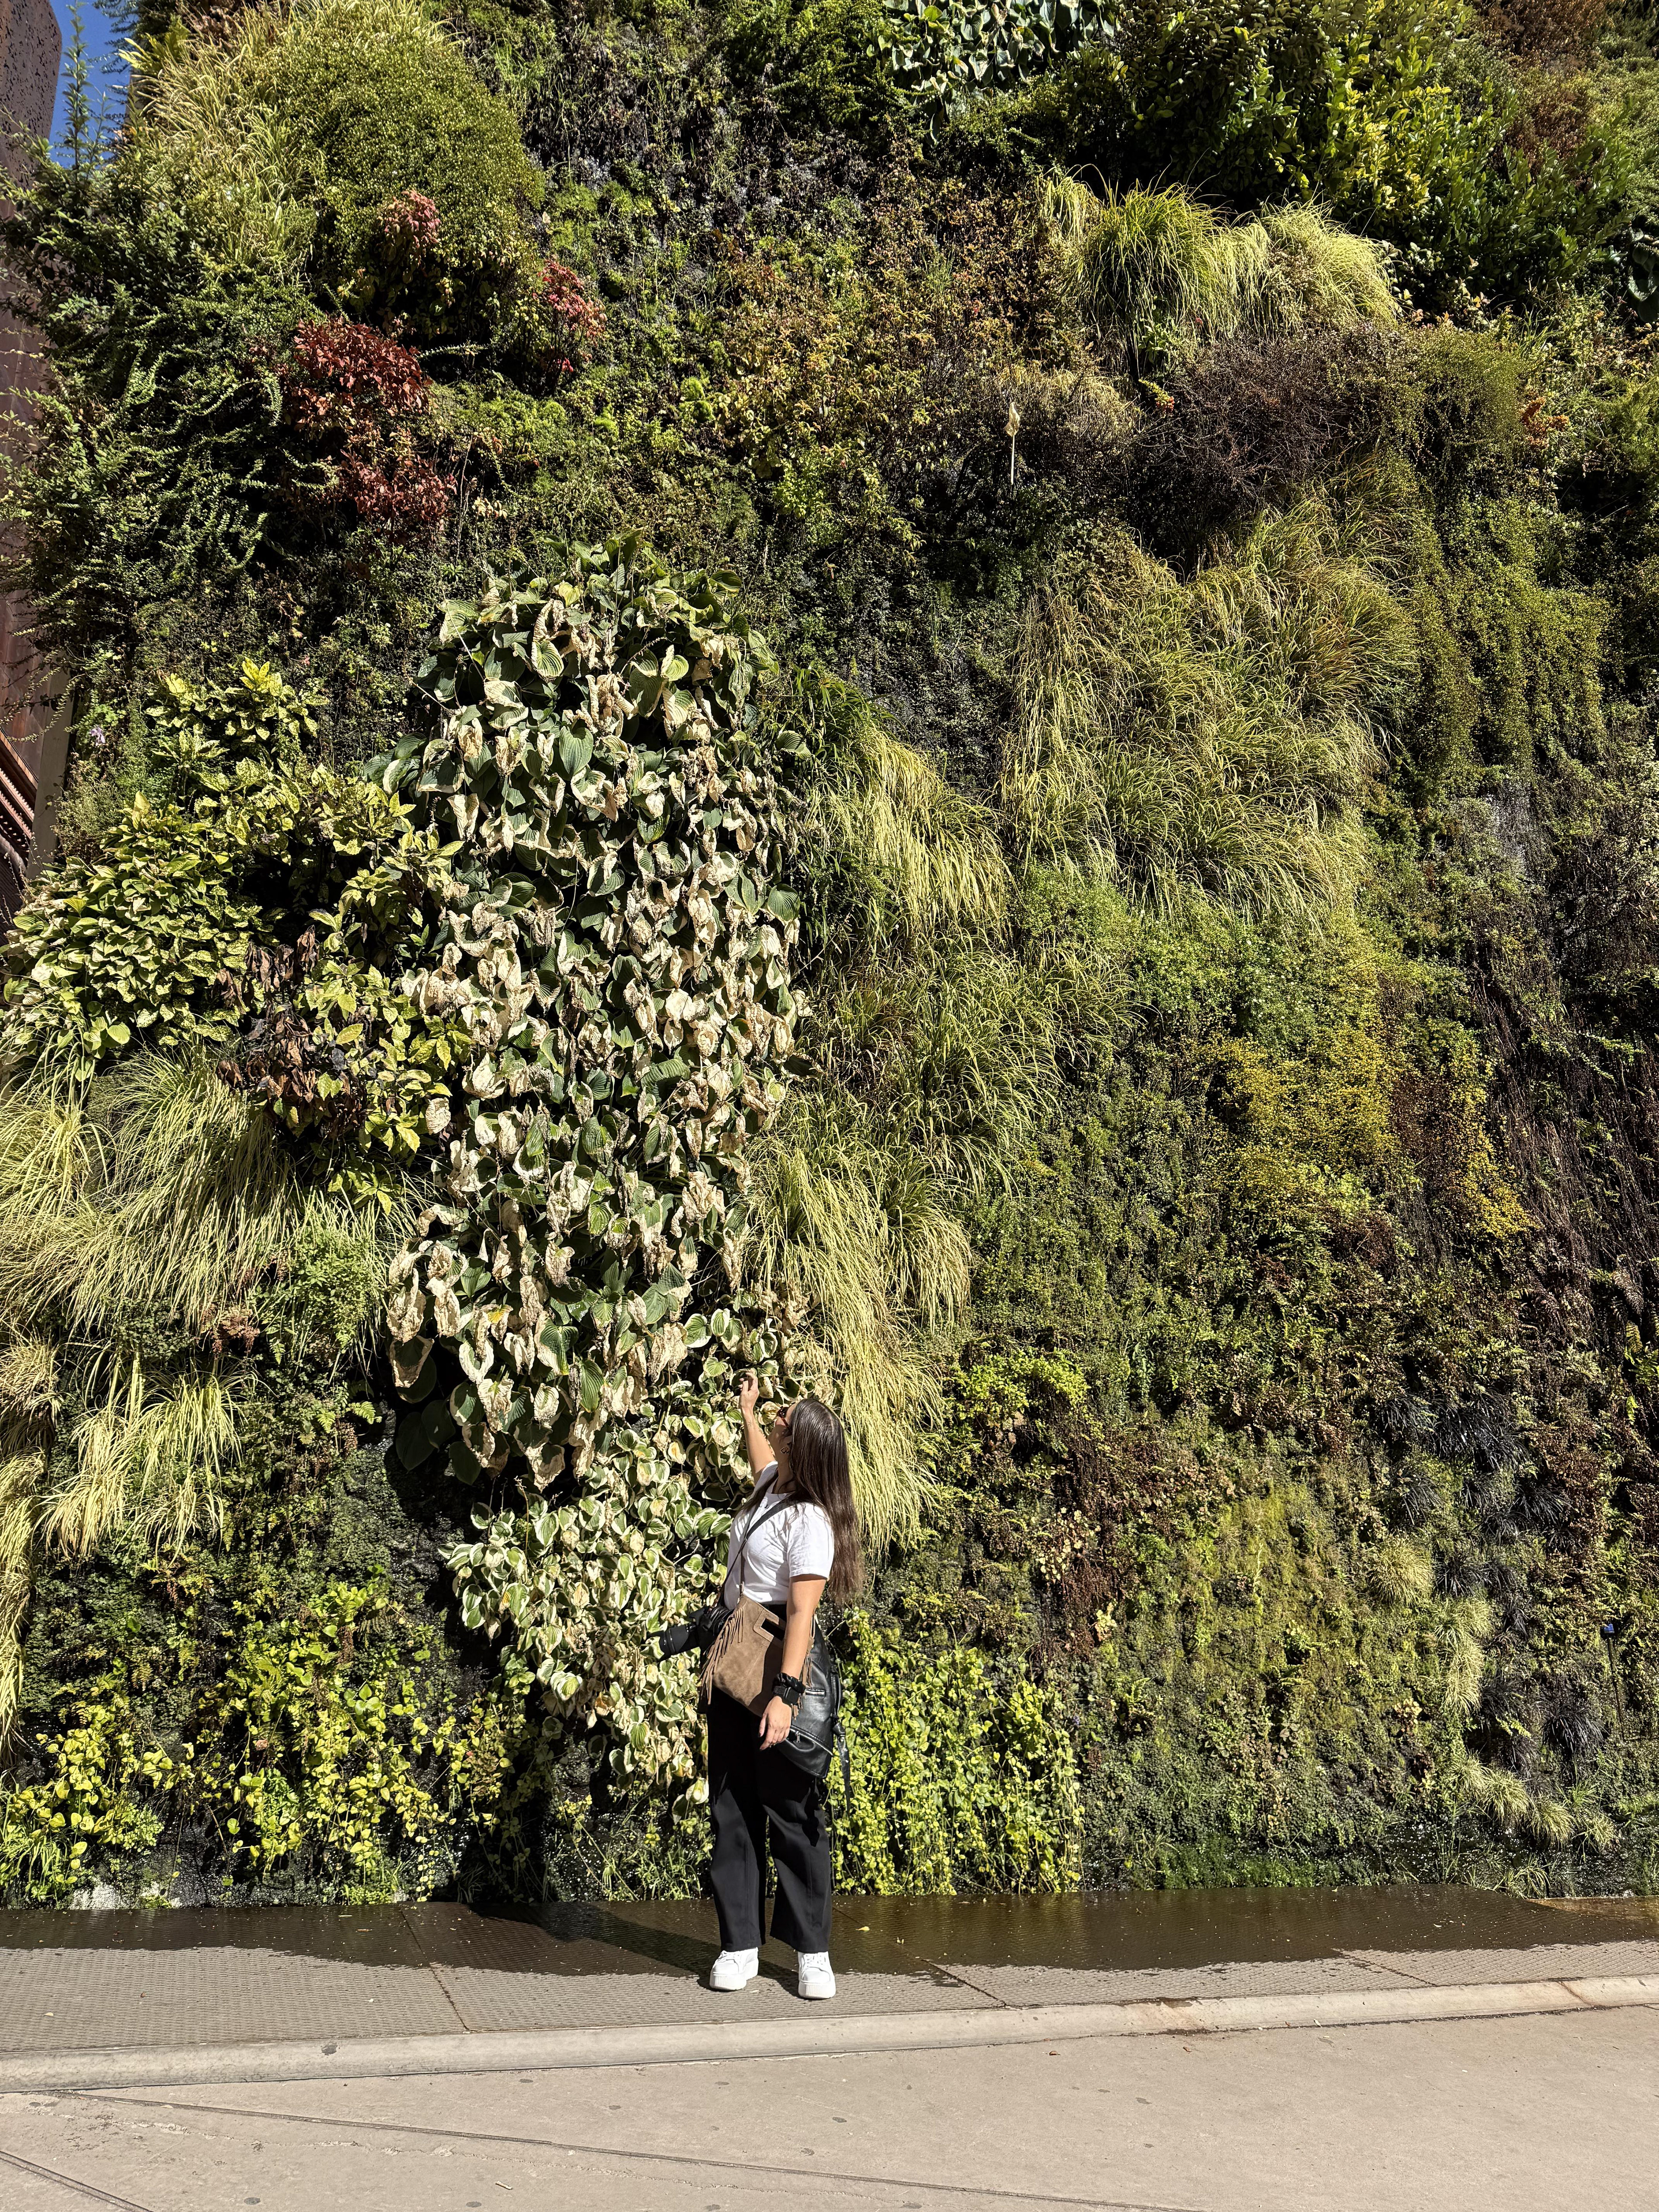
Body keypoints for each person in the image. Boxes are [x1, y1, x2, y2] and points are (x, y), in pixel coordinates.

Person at [705, 1374, 861, 2002]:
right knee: (732, 1804)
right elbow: (761, 1461)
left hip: (778, 1664)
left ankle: (813, 1953)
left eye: (783, 1418)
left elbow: (801, 1615)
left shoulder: (813, 1523)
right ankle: (740, 1946)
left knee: (792, 1810)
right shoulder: (774, 1485)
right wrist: (747, 1414)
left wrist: (787, 1695)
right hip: (735, 1657)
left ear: (803, 1445)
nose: (777, 1418)